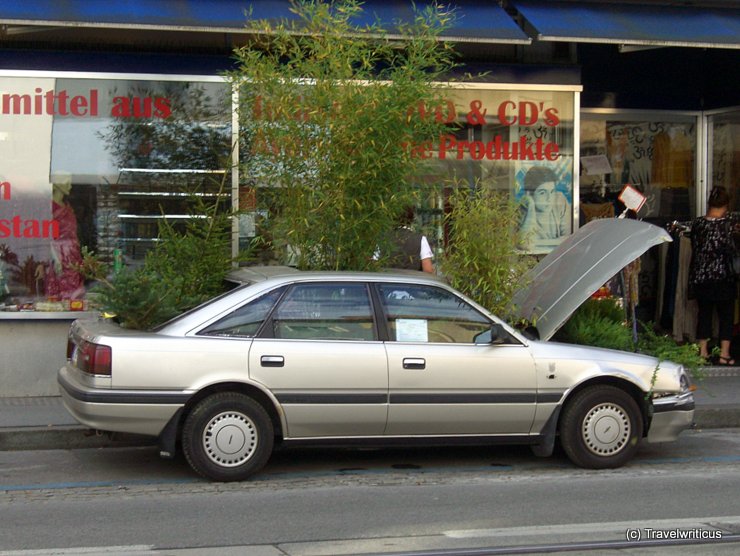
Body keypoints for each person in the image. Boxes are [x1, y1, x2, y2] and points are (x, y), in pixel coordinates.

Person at [689, 186, 738, 365]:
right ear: (725, 205)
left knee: (704, 314)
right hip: (724, 277)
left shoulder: (698, 224)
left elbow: (695, 247)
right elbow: (732, 249)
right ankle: (724, 354)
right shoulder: (728, 225)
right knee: (726, 316)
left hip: (702, 277)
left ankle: (703, 351)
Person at [518, 166, 571, 243]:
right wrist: (531, 208)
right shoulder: (521, 211)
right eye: (542, 193)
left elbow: (568, 239)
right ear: (529, 193)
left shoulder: (560, 200)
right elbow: (525, 245)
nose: (549, 199)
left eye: (552, 191)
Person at [388, 207, 435, 273]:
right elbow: (428, 270)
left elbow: (373, 266)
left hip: (386, 282)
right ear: (412, 218)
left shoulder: (382, 239)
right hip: (412, 281)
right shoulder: (420, 239)